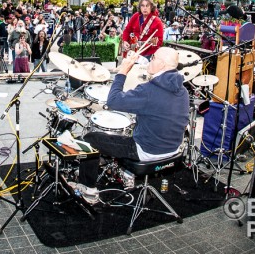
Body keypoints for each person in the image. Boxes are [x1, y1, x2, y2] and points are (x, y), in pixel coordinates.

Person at [74, 47, 189, 204]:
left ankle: (88, 189)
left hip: (148, 151)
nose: (150, 59)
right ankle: (128, 173)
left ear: (161, 64)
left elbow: (113, 101)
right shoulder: (183, 90)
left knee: (90, 138)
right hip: (173, 150)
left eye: (153, 57)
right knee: (134, 129)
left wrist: (123, 71)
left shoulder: (149, 90)